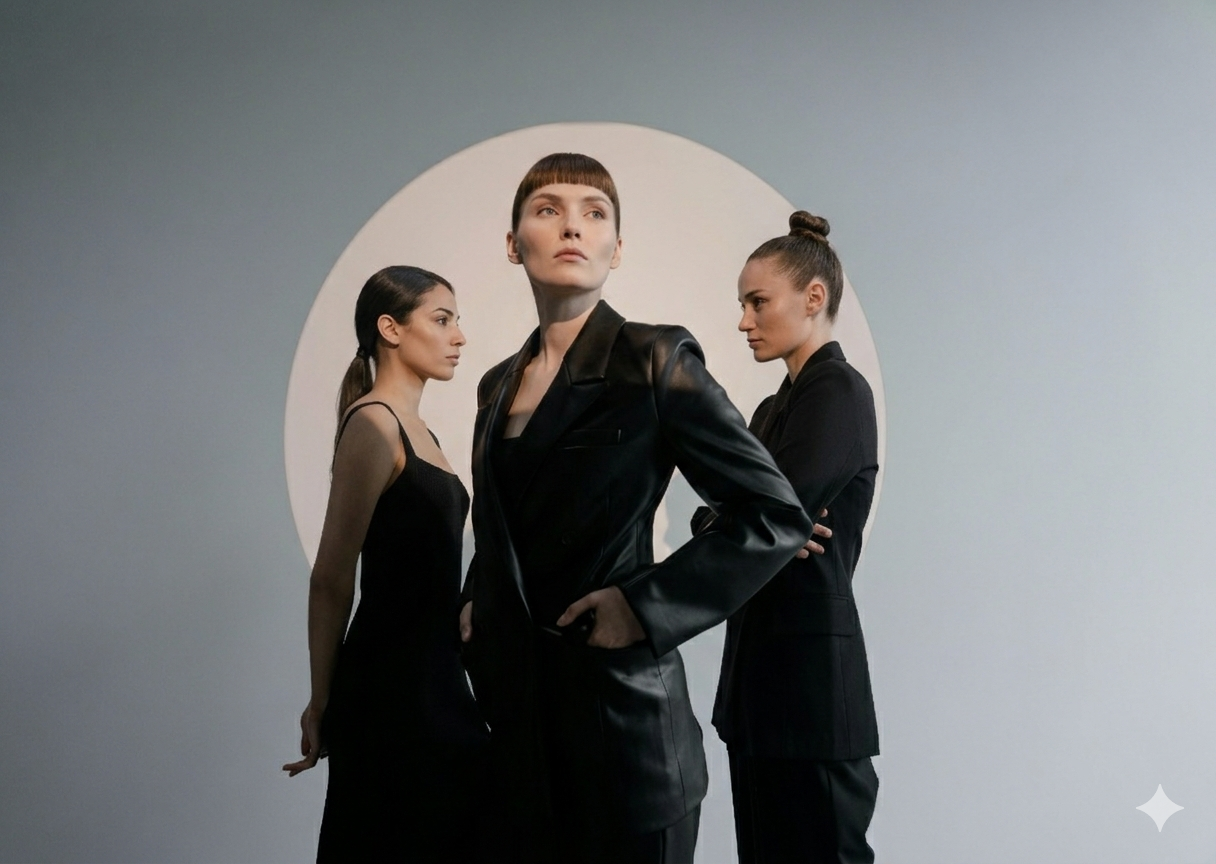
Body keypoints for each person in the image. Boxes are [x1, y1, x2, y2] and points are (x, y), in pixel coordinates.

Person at [455, 152, 813, 864]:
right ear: (513, 243)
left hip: (630, 742)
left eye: (594, 214)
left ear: (616, 249)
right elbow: (510, 524)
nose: (572, 227)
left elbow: (773, 512)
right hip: (522, 741)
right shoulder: (495, 386)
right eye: (548, 210)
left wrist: (643, 607)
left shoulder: (655, 358)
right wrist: (476, 600)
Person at [282, 266, 489, 862]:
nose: (458, 336)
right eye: (442, 320)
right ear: (390, 329)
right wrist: (321, 703)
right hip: (392, 691)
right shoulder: (374, 422)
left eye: (457, 321)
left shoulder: (420, 431)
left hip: (433, 681)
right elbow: (330, 578)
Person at [709, 212, 881, 864]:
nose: (744, 321)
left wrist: (757, 517)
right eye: (742, 305)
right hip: (756, 687)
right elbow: (745, 516)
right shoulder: (768, 410)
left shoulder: (839, 391)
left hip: (813, 693)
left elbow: (772, 513)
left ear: (813, 298)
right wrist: (747, 518)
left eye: (758, 302)